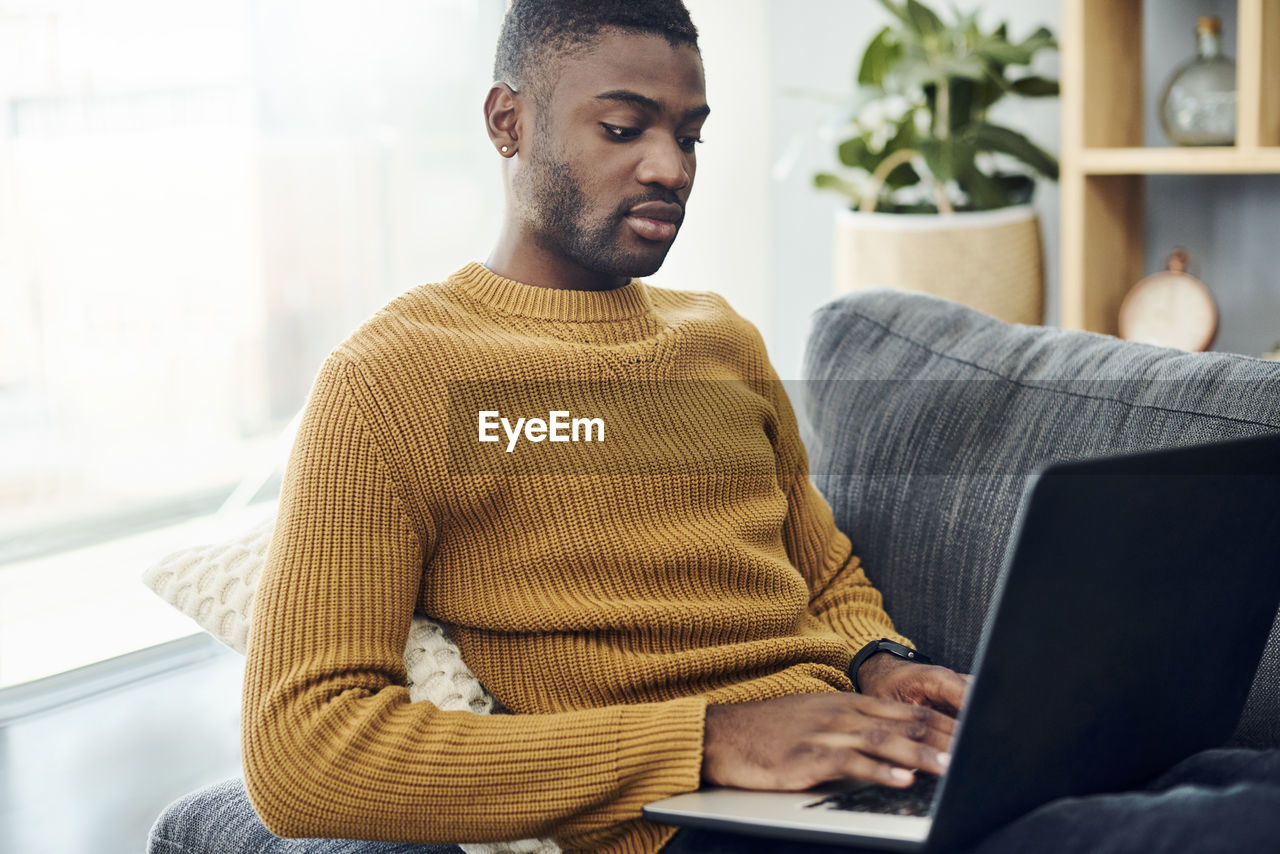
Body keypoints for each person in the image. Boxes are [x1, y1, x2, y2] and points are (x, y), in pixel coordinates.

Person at [148, 2, 1280, 853]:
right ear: (507, 121)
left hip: (864, 771)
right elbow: (306, 750)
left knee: (1239, 781)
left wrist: (875, 660)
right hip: (703, 825)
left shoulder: (716, 338)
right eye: (624, 126)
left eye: (689, 132)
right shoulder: (395, 379)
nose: (670, 167)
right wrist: (705, 739)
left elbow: (820, 567)